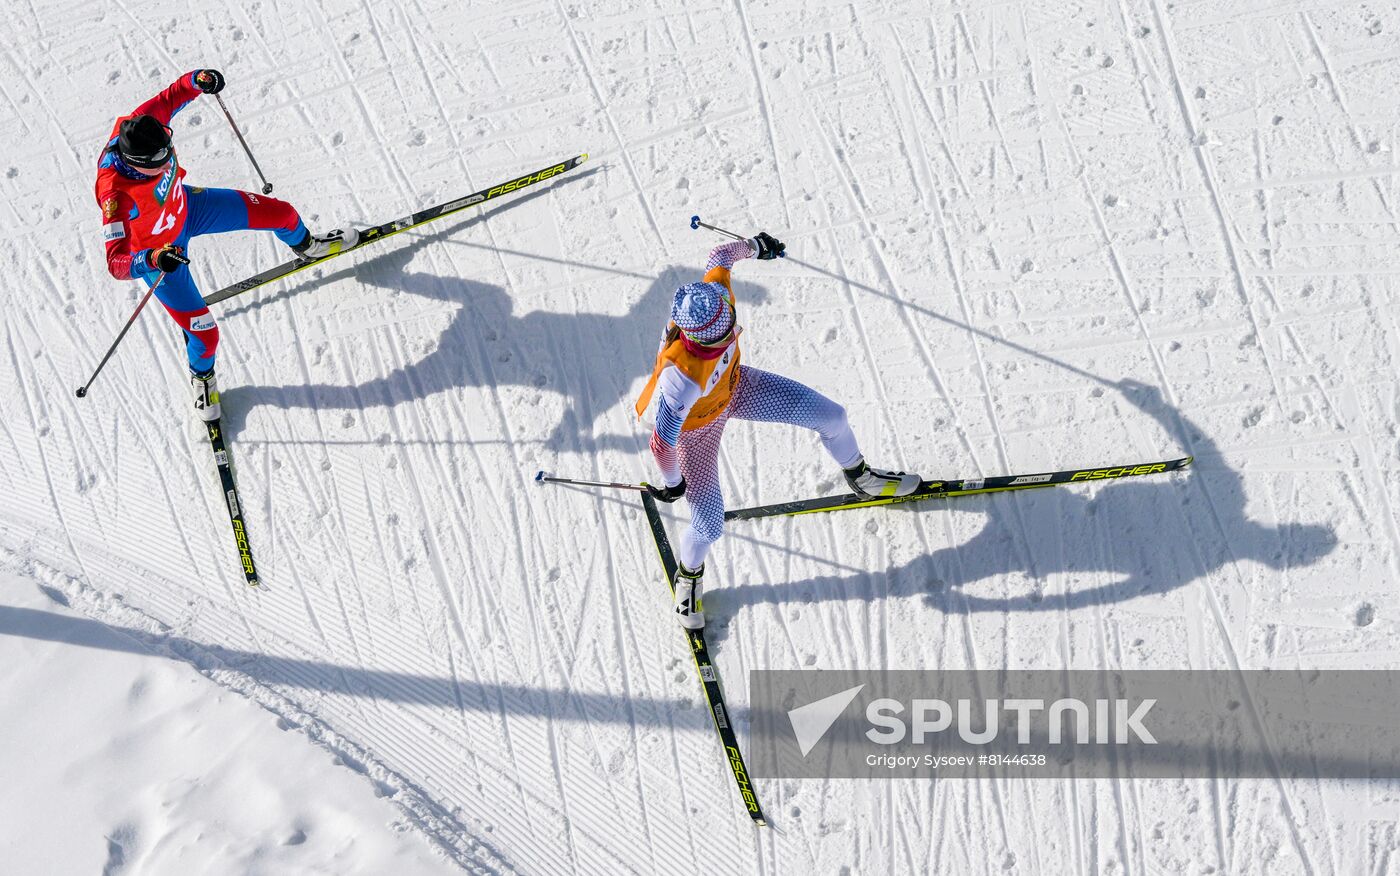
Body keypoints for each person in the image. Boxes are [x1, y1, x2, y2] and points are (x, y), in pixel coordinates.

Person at [636, 232, 922, 628]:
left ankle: (862, 478)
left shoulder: (715, 295)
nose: (731, 331)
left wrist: (757, 245)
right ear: (697, 339)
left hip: (738, 388)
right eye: (722, 335)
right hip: (697, 432)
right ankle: (689, 577)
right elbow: (662, 440)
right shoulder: (681, 378)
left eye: (730, 321)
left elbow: (721, 253)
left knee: (833, 417)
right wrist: (673, 482)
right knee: (709, 522)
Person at [94, 69, 358, 421]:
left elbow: (174, 94)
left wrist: (198, 80)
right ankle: (202, 379)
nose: (169, 159)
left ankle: (308, 246)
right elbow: (116, 263)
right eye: (161, 161)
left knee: (281, 213)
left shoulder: (141, 124)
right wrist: (152, 259)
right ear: (138, 165)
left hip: (190, 209)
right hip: (163, 258)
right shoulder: (114, 194)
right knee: (205, 336)